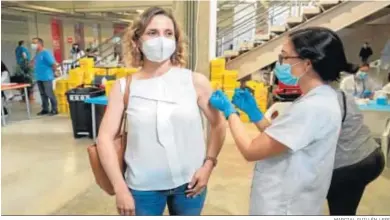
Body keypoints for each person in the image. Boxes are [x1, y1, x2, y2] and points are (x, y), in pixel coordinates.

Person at [97, 7, 226, 216]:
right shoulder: (123, 87)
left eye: (168, 33)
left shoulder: (195, 82)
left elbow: (218, 124)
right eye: (152, 33)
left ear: (176, 41)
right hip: (142, 189)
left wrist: (209, 164)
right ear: (137, 41)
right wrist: (120, 188)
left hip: (190, 184)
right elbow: (104, 139)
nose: (161, 40)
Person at [209, 27, 351, 215]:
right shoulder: (320, 98)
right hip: (294, 199)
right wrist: (256, 114)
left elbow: (251, 150)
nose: (281, 64)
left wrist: (230, 112)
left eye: (285, 57)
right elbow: (282, 139)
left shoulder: (312, 108)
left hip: (284, 206)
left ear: (307, 64)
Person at [326, 90, 385, 215]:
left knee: (342, 211)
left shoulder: (316, 102)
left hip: (350, 165)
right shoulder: (343, 95)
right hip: (371, 154)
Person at [31, 37, 58, 116]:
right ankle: (45, 109)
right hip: (39, 77)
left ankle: (54, 109)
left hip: (47, 77)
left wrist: (54, 72)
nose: (33, 45)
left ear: (40, 44)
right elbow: (34, 63)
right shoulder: (37, 54)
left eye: (34, 43)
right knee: (43, 94)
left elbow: (53, 64)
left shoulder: (46, 53)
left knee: (49, 93)